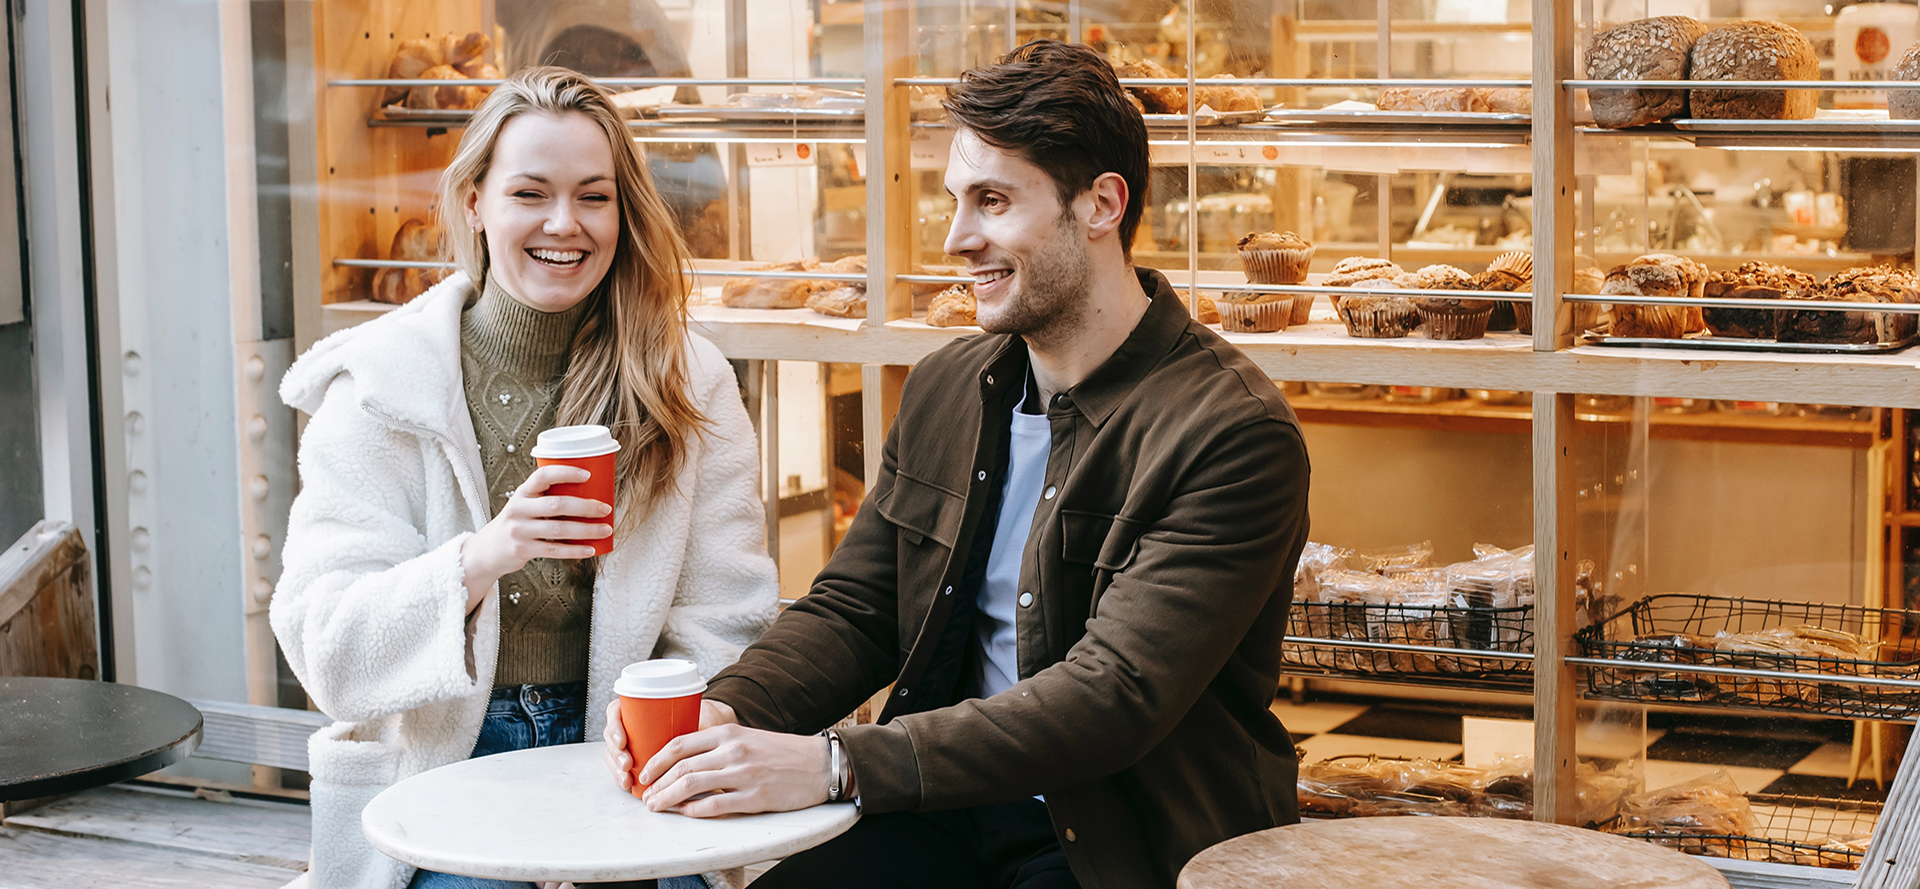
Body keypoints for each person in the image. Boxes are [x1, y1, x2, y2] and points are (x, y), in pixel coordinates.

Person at [602, 40, 1311, 889]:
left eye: (993, 201)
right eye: (954, 202)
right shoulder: (949, 385)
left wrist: (836, 762)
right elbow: (858, 607)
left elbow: (1113, 695)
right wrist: (729, 707)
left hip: (1123, 836)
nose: (956, 238)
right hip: (944, 805)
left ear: (1101, 205)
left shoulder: (1232, 431)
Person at [275, 67, 777, 889]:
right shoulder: (382, 384)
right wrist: (481, 558)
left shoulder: (688, 380)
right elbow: (328, 647)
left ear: (624, 210)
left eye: (593, 197)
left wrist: (632, 762)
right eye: (530, 193)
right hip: (441, 771)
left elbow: (729, 616)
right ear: (475, 201)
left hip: (627, 762)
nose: (563, 224)